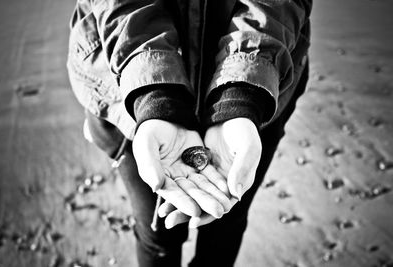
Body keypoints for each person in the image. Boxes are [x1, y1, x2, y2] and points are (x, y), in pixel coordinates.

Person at [67, 1, 312, 266]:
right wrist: (154, 97)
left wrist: (241, 96)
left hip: (258, 92)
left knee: (226, 221)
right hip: (128, 90)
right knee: (158, 232)